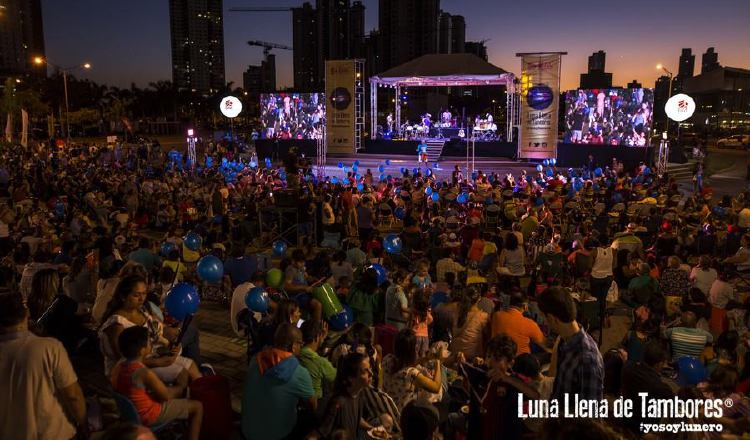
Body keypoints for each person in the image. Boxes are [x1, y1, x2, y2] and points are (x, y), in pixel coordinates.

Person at [0, 292, 88, 440]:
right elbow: (72, 395)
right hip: (52, 433)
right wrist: (84, 424)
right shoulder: (49, 348)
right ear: (26, 314)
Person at [98, 274, 202, 382]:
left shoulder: (142, 311)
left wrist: (171, 341)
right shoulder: (117, 324)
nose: (141, 299)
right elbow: (124, 360)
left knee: (191, 366)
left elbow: (158, 328)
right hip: (130, 371)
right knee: (183, 374)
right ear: (123, 296)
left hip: (151, 356)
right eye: (136, 295)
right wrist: (159, 362)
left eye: (144, 293)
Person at [111, 326, 203, 440]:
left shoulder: (118, 366)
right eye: (149, 341)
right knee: (197, 407)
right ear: (142, 350)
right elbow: (165, 396)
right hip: (149, 415)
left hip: (132, 413)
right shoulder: (142, 372)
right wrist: (180, 387)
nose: (151, 343)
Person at [241, 323, 315, 440]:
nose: (301, 347)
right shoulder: (300, 373)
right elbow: (312, 405)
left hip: (247, 432)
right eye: (301, 344)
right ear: (294, 346)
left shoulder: (256, 360)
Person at [461, 334, 539, 440]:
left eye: (497, 359)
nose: (490, 362)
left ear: (510, 364)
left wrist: (507, 379)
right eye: (488, 356)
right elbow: (458, 366)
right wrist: (457, 358)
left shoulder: (515, 382)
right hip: (479, 433)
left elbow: (535, 395)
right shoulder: (481, 373)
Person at [538, 287, 604, 401]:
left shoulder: (587, 358)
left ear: (552, 318)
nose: (544, 322)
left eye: (544, 317)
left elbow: (590, 413)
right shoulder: (564, 339)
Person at [316, 352, 376, 439]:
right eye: (365, 371)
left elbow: (356, 419)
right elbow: (319, 432)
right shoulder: (338, 402)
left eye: (369, 368)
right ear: (351, 378)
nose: (371, 373)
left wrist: (371, 428)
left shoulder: (359, 394)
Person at [620, 341, 674, 436]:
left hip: (624, 421)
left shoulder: (627, 368)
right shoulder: (662, 389)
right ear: (659, 364)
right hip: (644, 431)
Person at [381, 328, 442, 409]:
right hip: (403, 415)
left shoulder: (387, 359)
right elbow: (436, 387)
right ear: (412, 351)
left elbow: (405, 363)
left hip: (388, 407)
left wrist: (426, 358)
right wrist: (438, 361)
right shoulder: (411, 374)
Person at [491, 292, 547, 357]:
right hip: (520, 363)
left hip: (498, 359)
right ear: (525, 306)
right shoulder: (529, 323)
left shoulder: (496, 316)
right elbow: (544, 344)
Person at [298, 320, 337, 400]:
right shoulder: (320, 362)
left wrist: (321, 340)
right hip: (316, 404)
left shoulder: (296, 354)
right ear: (316, 337)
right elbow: (338, 377)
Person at [588, 237, 615, 344]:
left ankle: (595, 319)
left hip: (596, 277)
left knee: (595, 298)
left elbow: (589, 265)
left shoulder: (595, 251)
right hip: (608, 276)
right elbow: (614, 264)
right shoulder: (613, 251)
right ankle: (603, 316)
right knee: (603, 298)